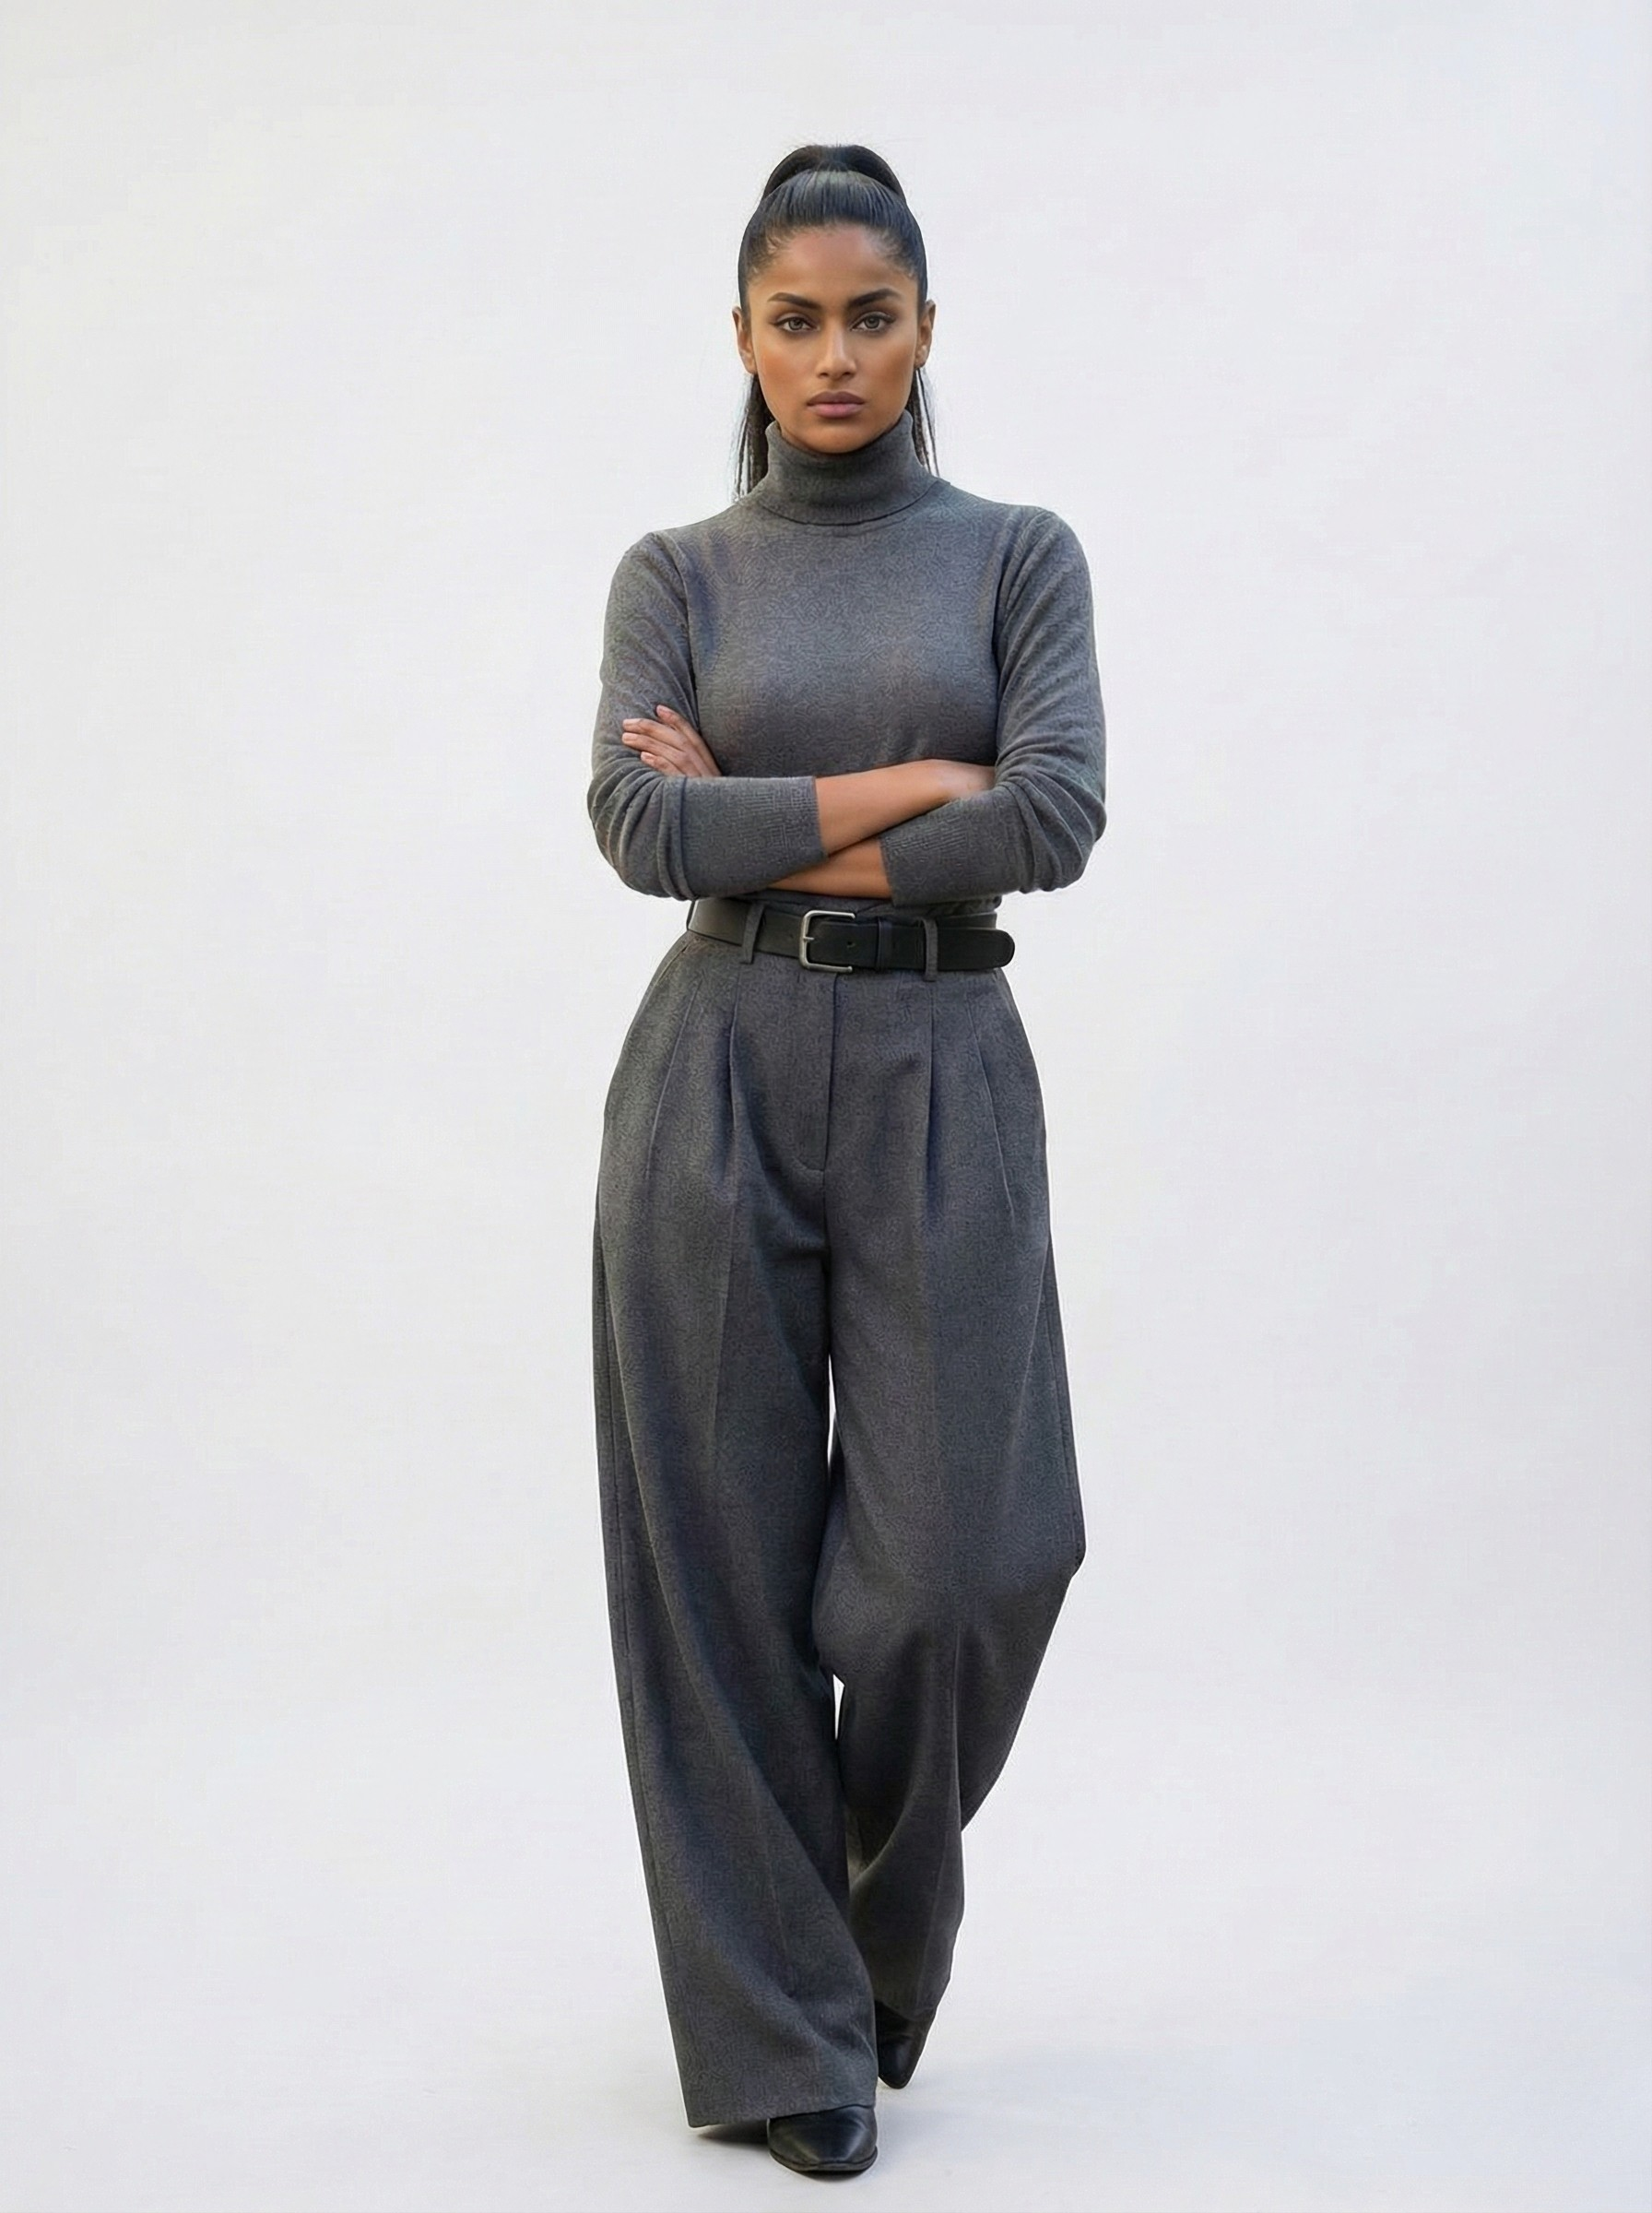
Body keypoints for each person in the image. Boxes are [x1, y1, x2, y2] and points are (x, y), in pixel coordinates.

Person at [586, 142, 1106, 2180]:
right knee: (712, 1577)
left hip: (944, 1065)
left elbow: (1051, 818)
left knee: (960, 1572)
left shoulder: (1015, 558)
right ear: (741, 335)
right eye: (792, 320)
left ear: (922, 330)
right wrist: (918, 776)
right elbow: (645, 836)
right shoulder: (676, 576)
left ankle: (872, 1941)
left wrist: (773, 802)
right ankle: (781, 2040)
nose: (831, 355)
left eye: (867, 318)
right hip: (712, 1064)